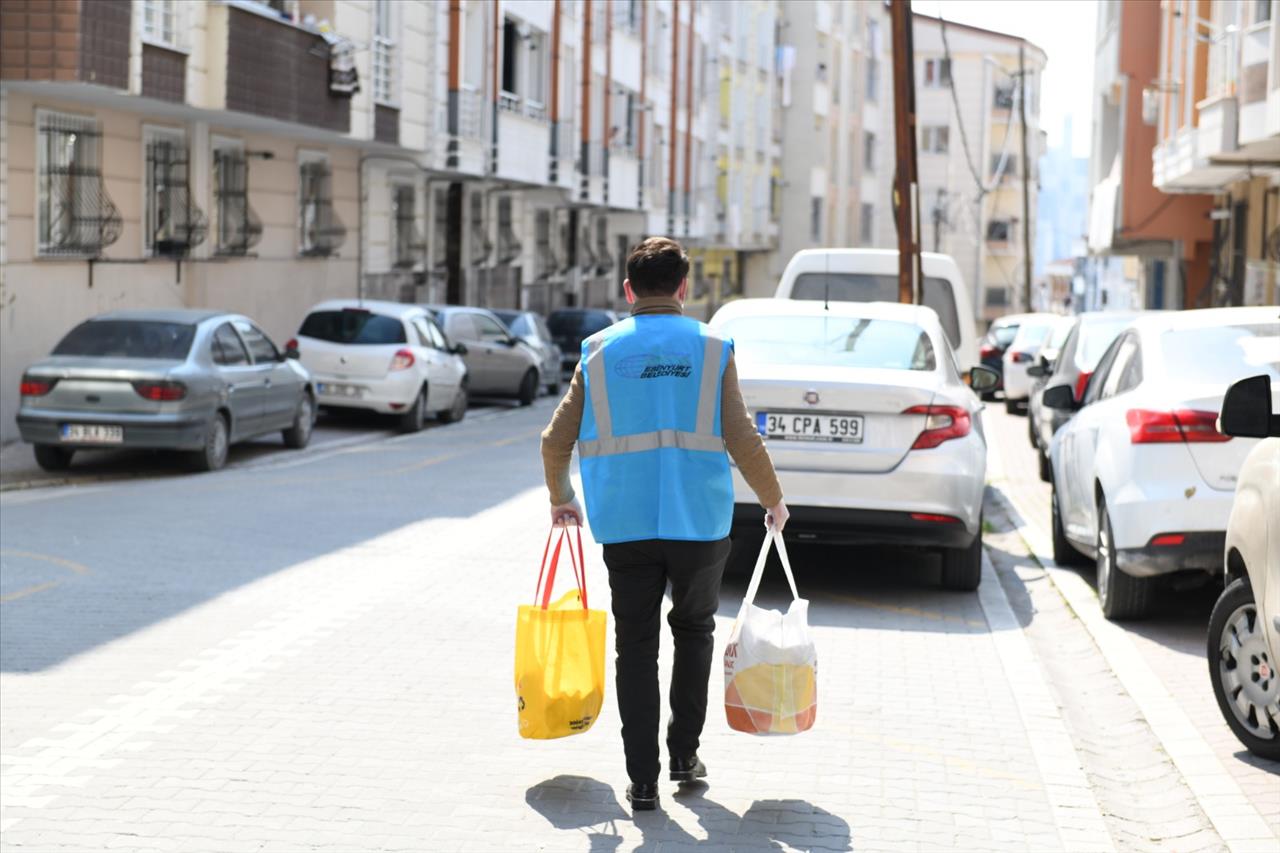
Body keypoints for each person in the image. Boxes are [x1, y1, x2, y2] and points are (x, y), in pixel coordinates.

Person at [540, 237, 787, 812]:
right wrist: (774, 499)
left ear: (628, 290)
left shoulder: (597, 350)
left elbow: (555, 440)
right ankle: (683, 756)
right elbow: (742, 438)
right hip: (699, 524)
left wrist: (563, 498)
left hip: (624, 525)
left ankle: (642, 780)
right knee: (695, 634)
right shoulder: (712, 347)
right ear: (683, 289)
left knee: (635, 649)